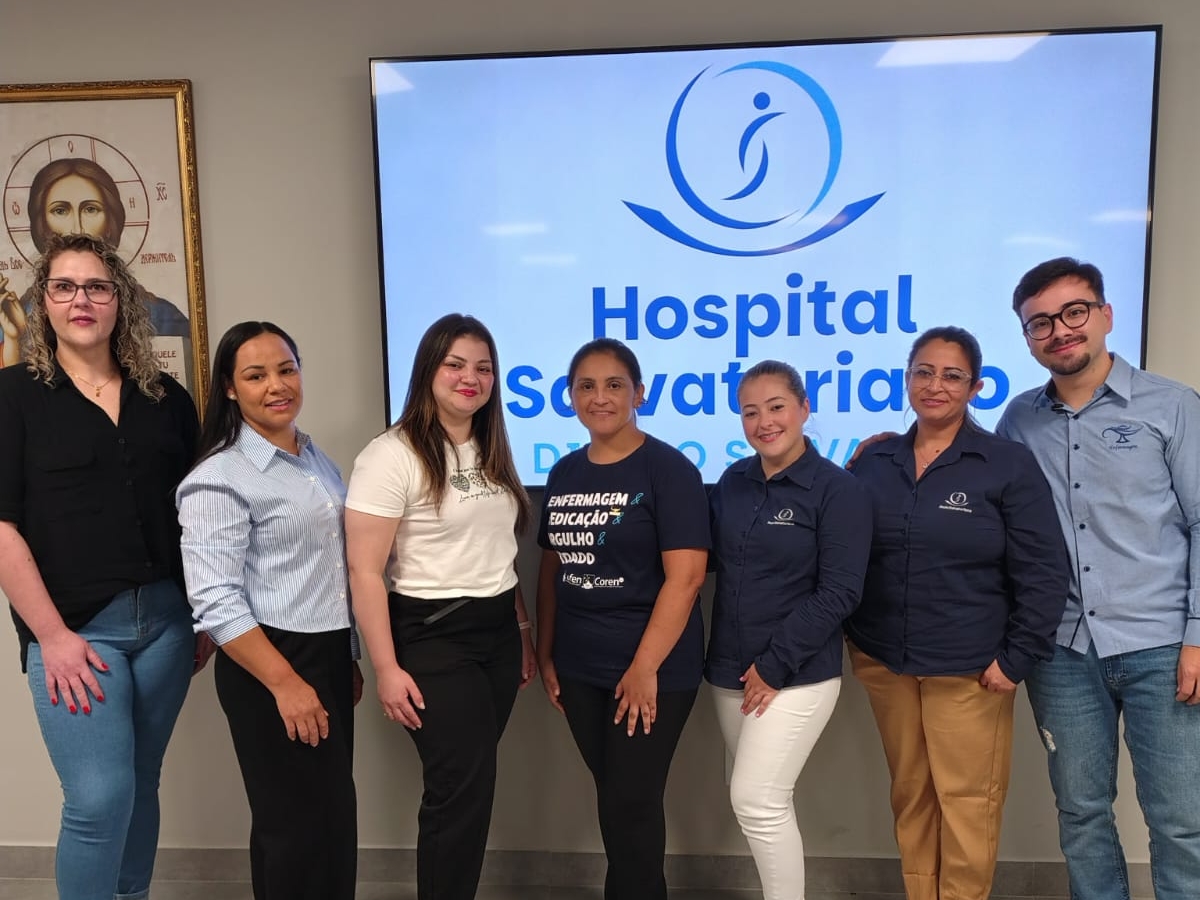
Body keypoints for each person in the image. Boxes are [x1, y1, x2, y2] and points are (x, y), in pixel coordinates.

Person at [0, 231, 200, 900]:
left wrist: (205, 616)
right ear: (43, 302)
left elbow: (197, 520)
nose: (81, 299)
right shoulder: (12, 397)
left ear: (121, 301)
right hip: (77, 632)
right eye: (64, 286)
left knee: (142, 782)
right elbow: (1, 528)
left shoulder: (167, 399)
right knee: (97, 798)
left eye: (96, 286)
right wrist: (51, 637)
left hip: (168, 626)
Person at [996, 258, 1200, 900]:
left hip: (1162, 646)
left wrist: (1198, 636)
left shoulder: (1172, 406)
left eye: (1074, 312)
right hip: (1061, 650)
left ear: (1106, 315)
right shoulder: (1018, 420)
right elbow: (982, 490)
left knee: (1181, 822)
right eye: (1040, 323)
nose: (1060, 330)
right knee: (1081, 815)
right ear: (1028, 338)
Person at [846, 326, 1068, 900]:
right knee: (911, 794)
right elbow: (844, 549)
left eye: (952, 375)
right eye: (923, 372)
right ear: (906, 378)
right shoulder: (874, 461)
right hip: (886, 662)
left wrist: (1016, 659)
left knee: (968, 803)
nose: (935, 385)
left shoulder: (1005, 464)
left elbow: (1044, 570)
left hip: (971, 670)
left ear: (975, 386)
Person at [344, 313, 535, 900]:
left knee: (472, 785)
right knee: (460, 790)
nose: (470, 378)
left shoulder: (489, 446)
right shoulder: (390, 455)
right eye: (455, 364)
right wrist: (385, 668)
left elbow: (497, 551)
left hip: (497, 634)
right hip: (432, 636)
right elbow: (364, 571)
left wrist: (522, 631)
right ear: (428, 369)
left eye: (483, 368)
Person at [175, 321, 360, 900]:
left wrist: (348, 655)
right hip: (270, 661)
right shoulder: (219, 477)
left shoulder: (313, 458)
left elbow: (330, 567)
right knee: (292, 830)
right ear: (231, 389)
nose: (277, 385)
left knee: (332, 821)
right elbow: (214, 600)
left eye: (286, 369)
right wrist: (286, 683)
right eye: (256, 376)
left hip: (326, 652)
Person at [536, 337, 710, 900]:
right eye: (586, 386)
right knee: (614, 797)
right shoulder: (564, 472)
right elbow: (553, 567)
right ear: (570, 396)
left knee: (632, 802)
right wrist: (545, 651)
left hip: (652, 670)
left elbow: (686, 579)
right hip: (580, 666)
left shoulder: (670, 470)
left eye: (614, 385)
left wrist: (643, 668)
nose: (600, 397)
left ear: (639, 393)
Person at [706, 359, 871, 900]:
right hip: (729, 672)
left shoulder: (837, 490)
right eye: (750, 412)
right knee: (767, 801)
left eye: (776, 407)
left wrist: (774, 664)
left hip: (795, 675)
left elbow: (841, 591)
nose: (764, 422)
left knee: (757, 800)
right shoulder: (732, 482)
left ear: (804, 407)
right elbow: (705, 563)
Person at [1, 157, 190, 368]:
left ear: (111, 221)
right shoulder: (13, 318)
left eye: (90, 209)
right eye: (60, 211)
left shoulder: (164, 315)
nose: (77, 226)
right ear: (42, 225)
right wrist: (14, 340)